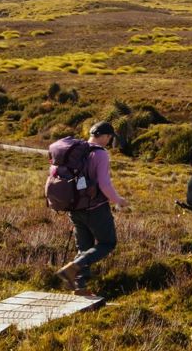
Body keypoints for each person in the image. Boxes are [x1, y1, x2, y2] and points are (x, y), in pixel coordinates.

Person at [55, 122, 126, 296]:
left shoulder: (76, 152)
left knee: (84, 247)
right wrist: (118, 200)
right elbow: (104, 183)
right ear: (104, 136)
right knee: (107, 243)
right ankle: (75, 267)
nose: (109, 141)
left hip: (74, 207)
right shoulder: (100, 154)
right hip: (95, 208)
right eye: (109, 137)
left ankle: (80, 287)